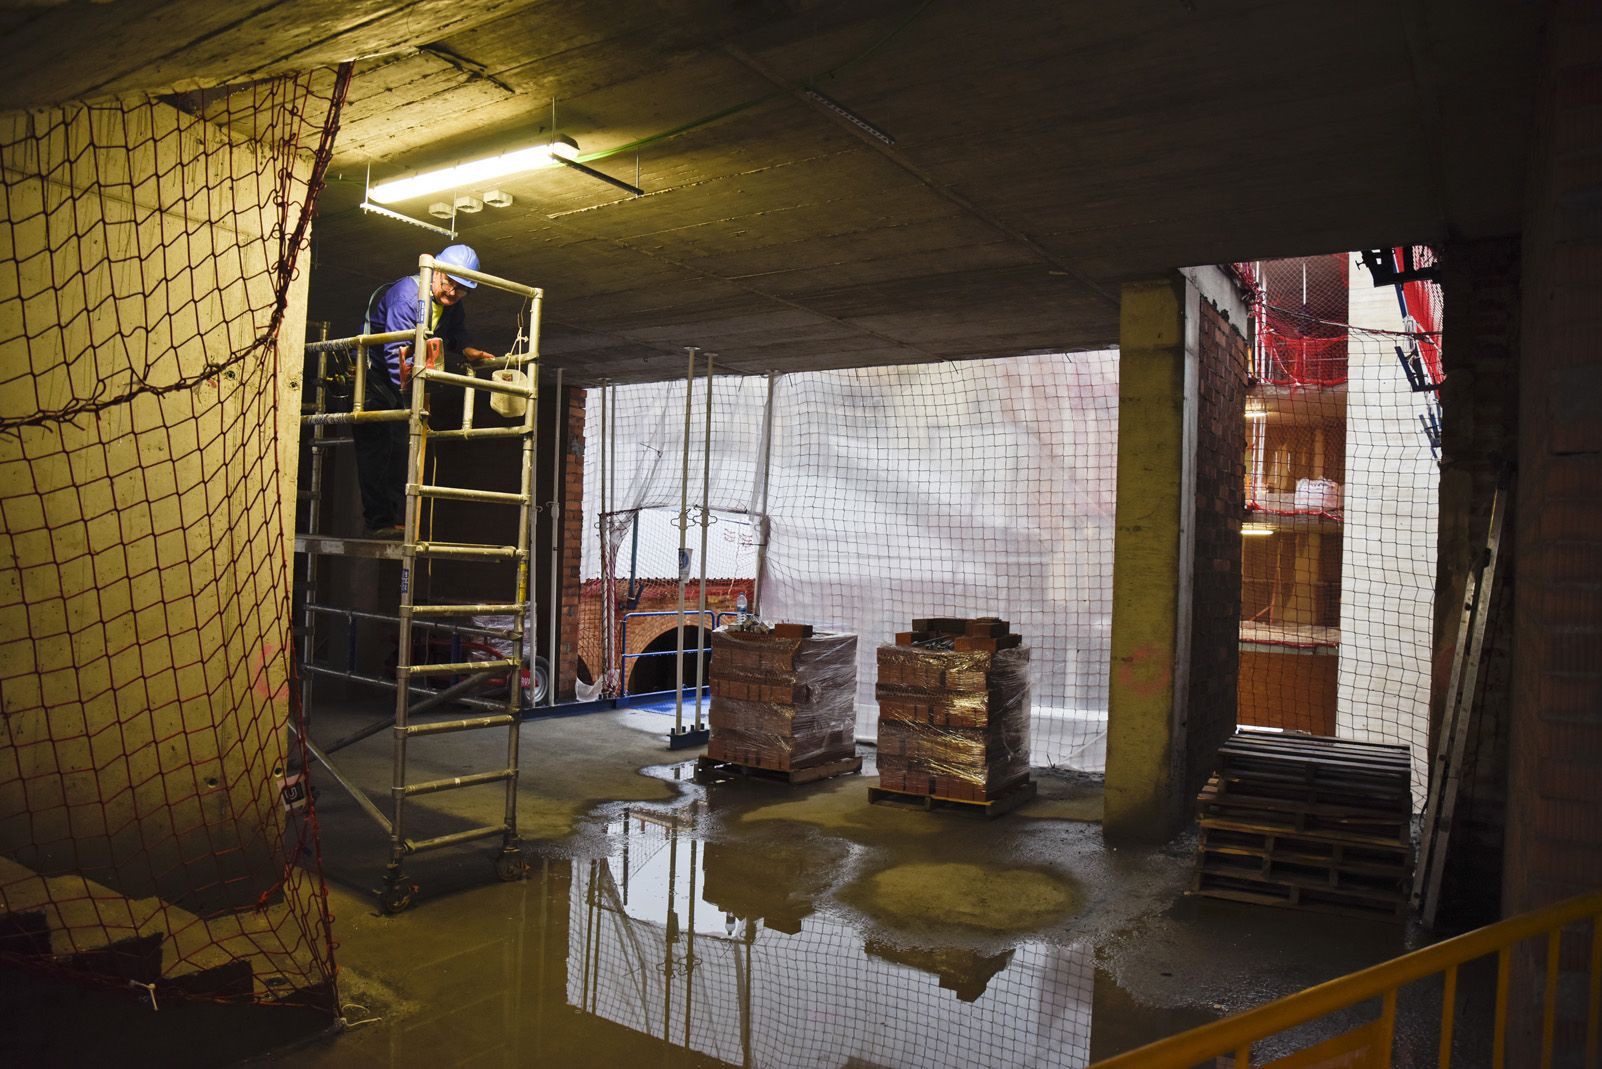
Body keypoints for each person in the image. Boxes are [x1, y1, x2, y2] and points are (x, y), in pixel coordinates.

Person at [353, 244, 496, 538]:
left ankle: (391, 518)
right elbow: (397, 350)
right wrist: (410, 395)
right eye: (448, 284)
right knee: (380, 446)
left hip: (404, 376)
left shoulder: (449, 303)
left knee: (399, 444)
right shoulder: (408, 297)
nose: (452, 293)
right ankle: (379, 521)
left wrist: (468, 350)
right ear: (437, 273)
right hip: (376, 376)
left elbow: (455, 331)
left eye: (461, 290)